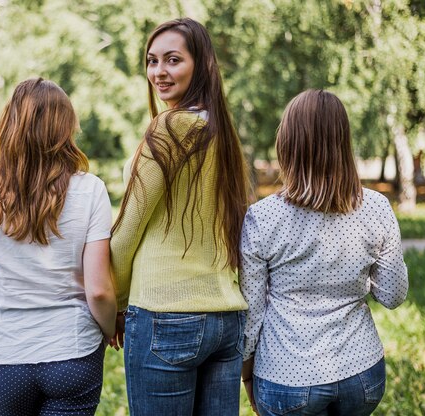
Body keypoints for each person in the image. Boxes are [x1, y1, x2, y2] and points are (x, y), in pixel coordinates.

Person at [109, 18, 251, 416]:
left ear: (201, 64)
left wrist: (116, 302)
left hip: (164, 314)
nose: (159, 72)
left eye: (173, 60)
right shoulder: (222, 132)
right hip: (225, 318)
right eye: (152, 61)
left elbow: (126, 231)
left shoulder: (169, 128)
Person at [0, 78, 117, 416]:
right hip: (73, 354)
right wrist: (109, 329)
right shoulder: (91, 190)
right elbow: (99, 290)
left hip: (3, 355)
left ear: (9, 124)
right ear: (65, 128)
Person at [240, 89, 409, 416]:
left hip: (286, 377)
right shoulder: (375, 207)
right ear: (342, 143)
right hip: (362, 375)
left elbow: (251, 317)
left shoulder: (262, 217)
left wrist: (247, 376)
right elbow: (393, 295)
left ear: (287, 144)